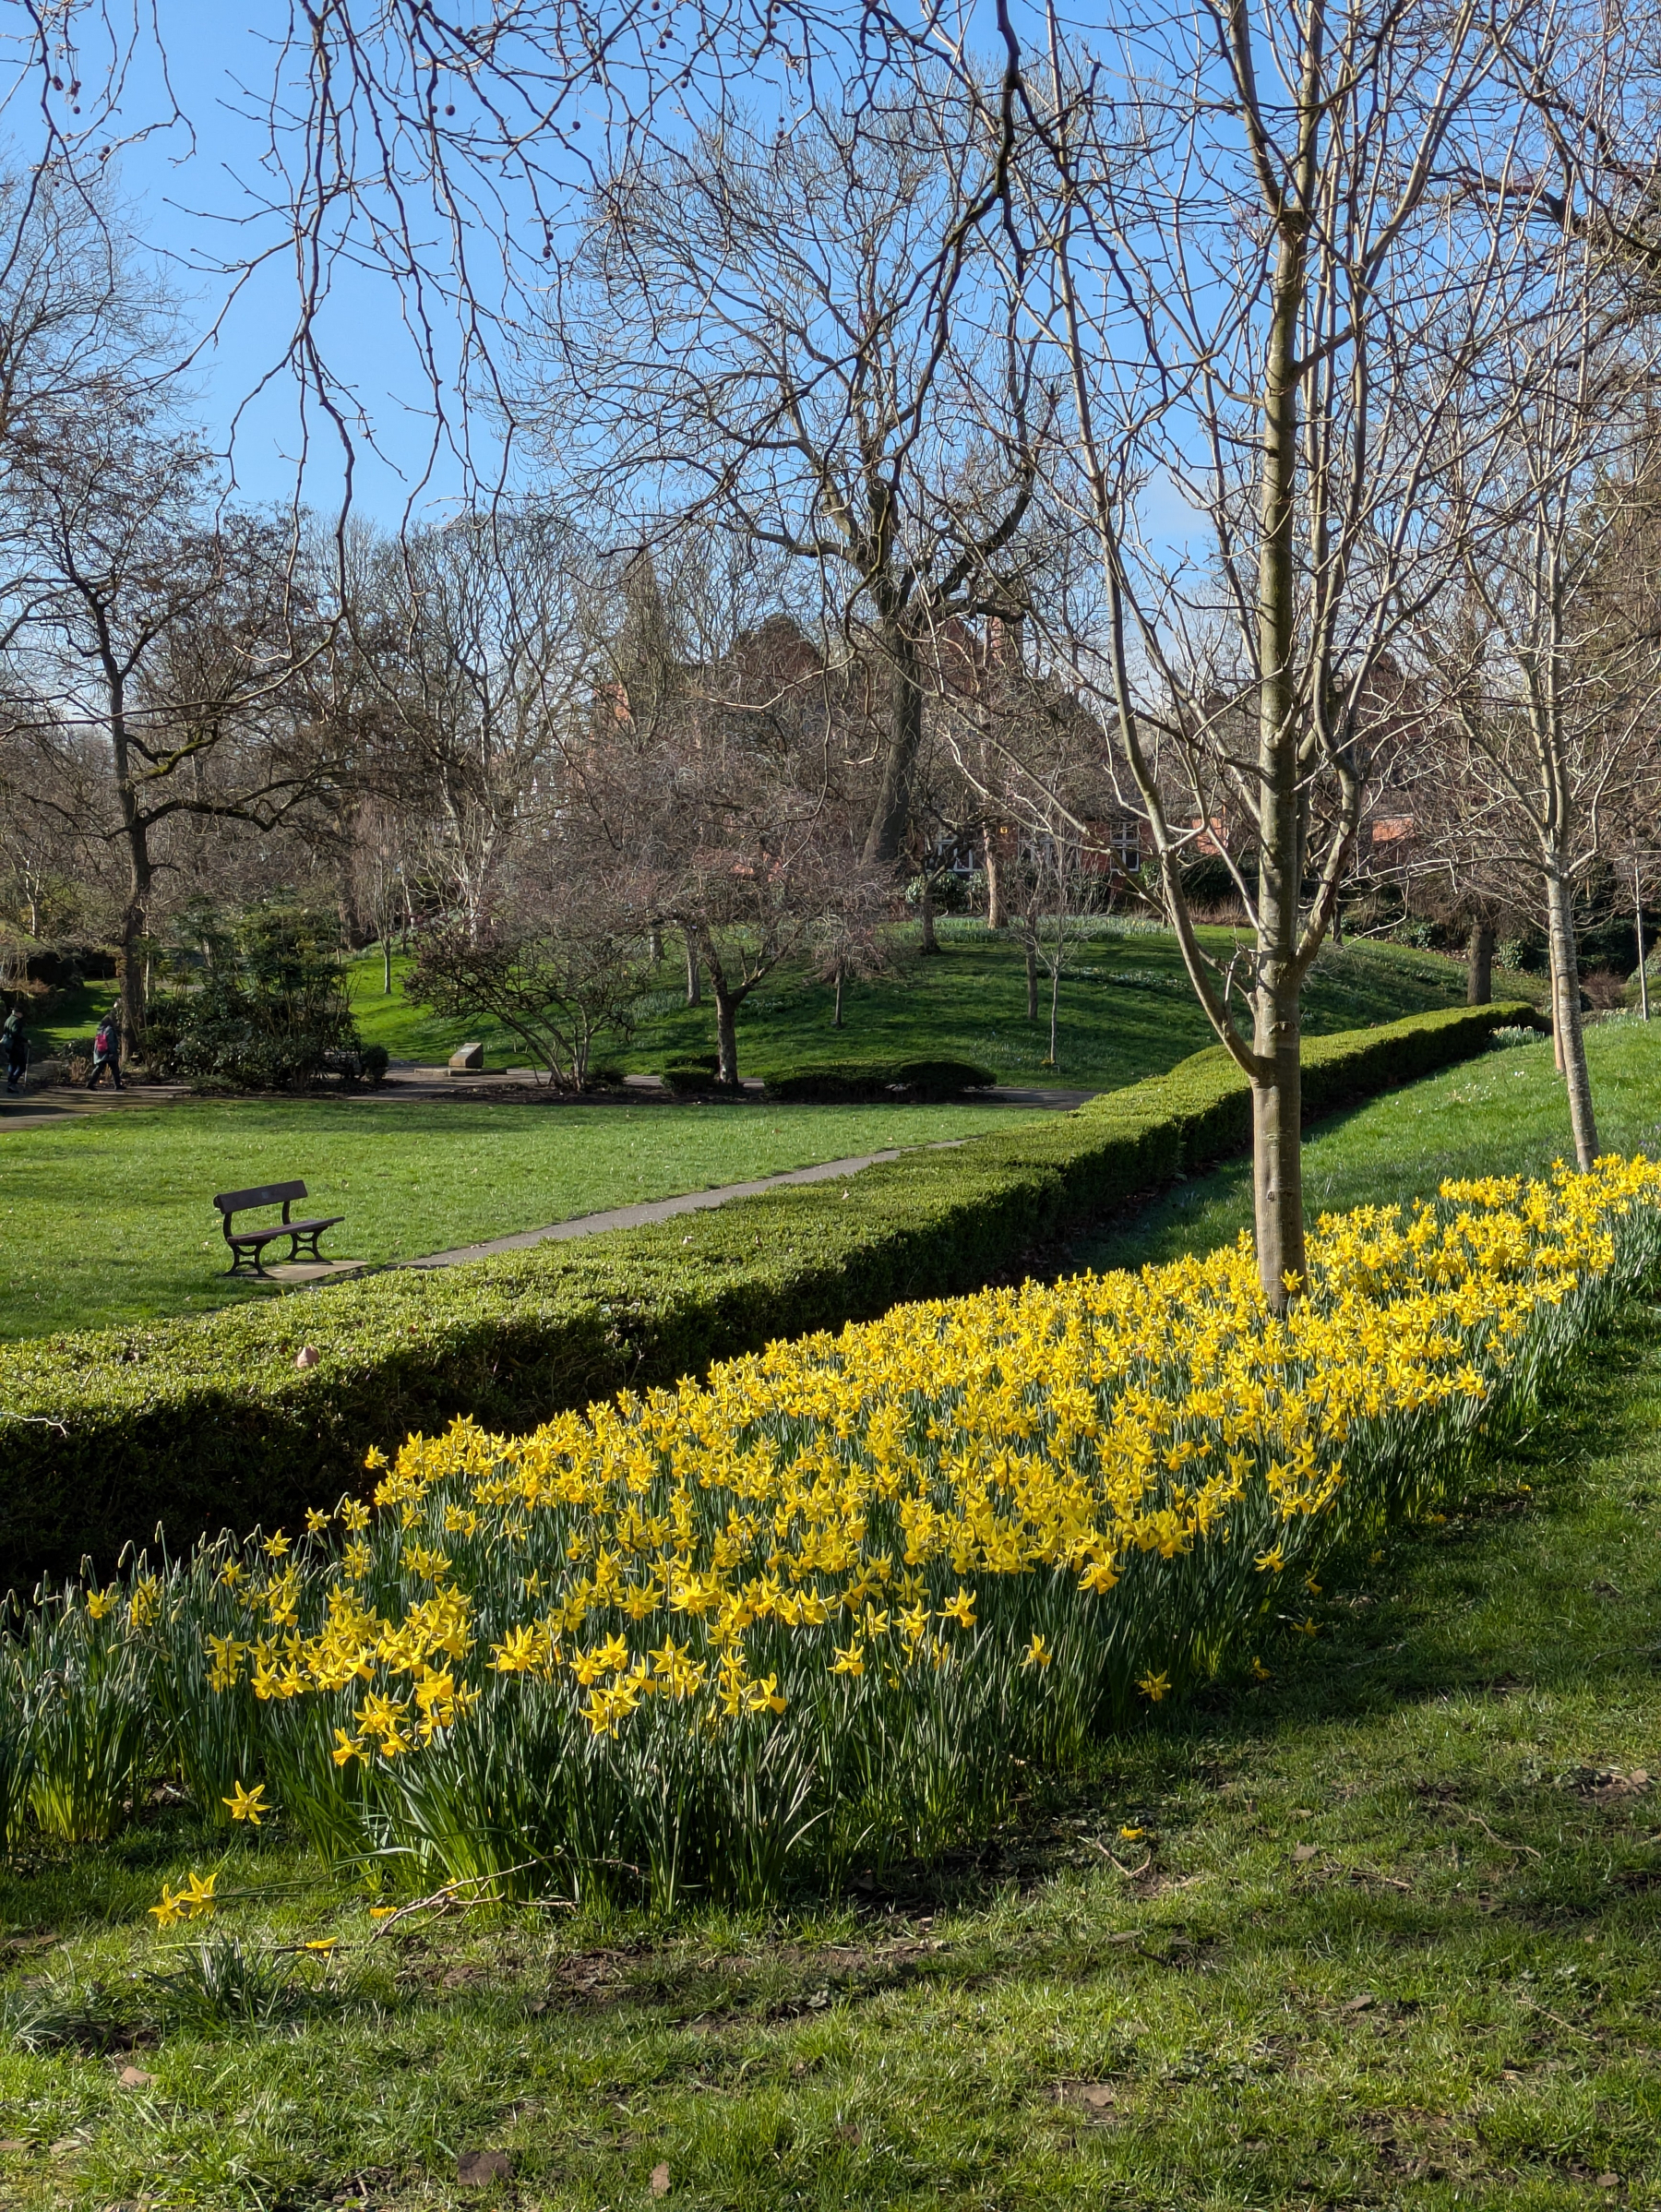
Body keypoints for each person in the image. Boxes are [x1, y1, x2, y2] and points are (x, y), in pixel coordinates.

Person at [86, 1004, 123, 1090]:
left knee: (99, 1068)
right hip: (108, 1052)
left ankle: (90, 1083)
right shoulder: (109, 1029)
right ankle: (117, 1085)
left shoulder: (100, 1030)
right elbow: (111, 1042)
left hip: (100, 1052)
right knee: (115, 1069)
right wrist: (113, 1051)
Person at [2, 1004, 26, 1095]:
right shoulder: (16, 1021)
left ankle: (10, 1083)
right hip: (15, 1046)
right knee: (21, 1066)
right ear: (18, 1013)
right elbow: (15, 1034)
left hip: (8, 1045)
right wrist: (26, 1040)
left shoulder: (9, 1019)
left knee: (12, 1065)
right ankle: (12, 1082)